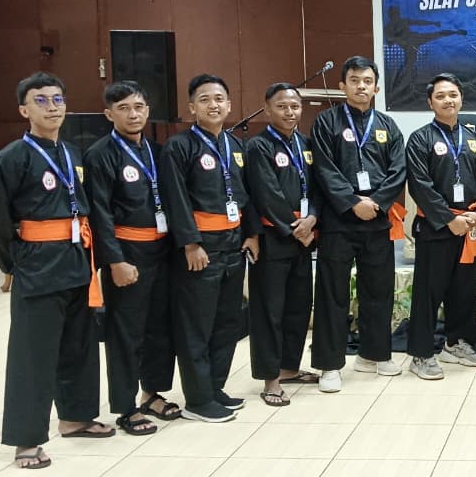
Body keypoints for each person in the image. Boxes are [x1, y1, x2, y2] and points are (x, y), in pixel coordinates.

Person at [0, 72, 112, 470]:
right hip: (38, 266)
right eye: (41, 101)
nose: (52, 107)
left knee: (79, 346)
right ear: (24, 110)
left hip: (76, 262)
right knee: (33, 356)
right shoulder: (12, 158)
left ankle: (76, 417)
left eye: (57, 100)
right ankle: (26, 439)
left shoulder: (71, 153)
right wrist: (14, 260)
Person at [160, 74, 261, 422]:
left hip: (234, 244)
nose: (213, 105)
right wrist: (190, 243)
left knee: (227, 322)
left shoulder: (235, 146)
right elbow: (175, 198)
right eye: (204, 100)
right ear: (192, 108)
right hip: (201, 248)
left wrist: (252, 234)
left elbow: (247, 194)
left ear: (229, 105)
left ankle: (215, 387)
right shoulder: (179, 147)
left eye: (219, 99)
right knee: (196, 325)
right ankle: (198, 400)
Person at [84, 81, 179, 435]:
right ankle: (125, 407)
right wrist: (115, 261)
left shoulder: (157, 151)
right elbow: (100, 213)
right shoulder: (100, 154)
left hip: (162, 250)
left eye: (138, 107)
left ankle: (151, 393)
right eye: (123, 108)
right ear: (109, 114)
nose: (133, 114)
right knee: (126, 332)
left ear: (147, 110)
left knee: (159, 327)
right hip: (128, 253)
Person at [310, 56, 408, 393]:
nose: (361, 86)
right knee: (332, 294)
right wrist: (353, 202)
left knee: (378, 290)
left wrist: (377, 203)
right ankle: (329, 365)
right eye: (354, 80)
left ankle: (374, 355)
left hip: (377, 220)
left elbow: (398, 170)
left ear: (376, 87)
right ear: (342, 86)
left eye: (367, 81)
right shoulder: (326, 122)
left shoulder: (387, 125)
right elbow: (323, 168)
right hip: (338, 219)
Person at [405, 73, 476, 379]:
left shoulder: (472, 137)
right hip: (436, 228)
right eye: (441, 96)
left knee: (464, 290)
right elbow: (420, 185)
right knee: (428, 293)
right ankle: (420, 353)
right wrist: (448, 219)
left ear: (461, 99)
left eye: (453, 95)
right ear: (430, 102)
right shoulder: (420, 139)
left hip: (468, 226)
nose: (448, 100)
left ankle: (456, 343)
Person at [245, 82, 322, 406]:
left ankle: (289, 368)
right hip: (274, 238)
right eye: (282, 106)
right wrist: (294, 228)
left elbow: (318, 187)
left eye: (295, 106)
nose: (290, 112)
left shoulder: (306, 144)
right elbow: (266, 193)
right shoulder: (257, 147)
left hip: (304, 236)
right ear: (267, 110)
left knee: (298, 306)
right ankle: (270, 379)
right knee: (270, 311)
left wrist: (313, 218)